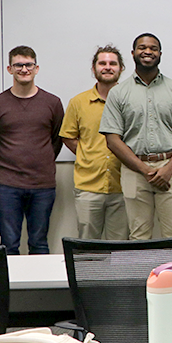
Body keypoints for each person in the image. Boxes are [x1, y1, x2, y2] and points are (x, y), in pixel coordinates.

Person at [99, 33, 172, 240]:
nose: (147, 51)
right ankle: (143, 274)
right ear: (133, 53)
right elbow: (112, 140)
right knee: (138, 235)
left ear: (160, 54)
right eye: (142, 48)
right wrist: (145, 170)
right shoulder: (118, 93)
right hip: (135, 172)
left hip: (171, 169)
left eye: (153, 48)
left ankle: (171, 274)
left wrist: (168, 169)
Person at [0, 46, 64, 255]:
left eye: (28, 65)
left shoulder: (53, 103)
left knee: (39, 243)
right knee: (8, 245)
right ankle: (8, 288)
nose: (24, 69)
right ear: (9, 69)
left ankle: (39, 288)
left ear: (36, 68)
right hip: (8, 185)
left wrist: (42, 160)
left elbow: (56, 140)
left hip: (42, 185)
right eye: (18, 65)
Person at [60, 45, 128, 240]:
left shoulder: (131, 101)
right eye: (102, 63)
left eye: (113, 63)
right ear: (94, 68)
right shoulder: (78, 102)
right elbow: (68, 136)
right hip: (88, 186)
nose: (107, 67)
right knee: (87, 249)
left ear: (121, 68)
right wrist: (86, 153)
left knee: (120, 248)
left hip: (123, 185)